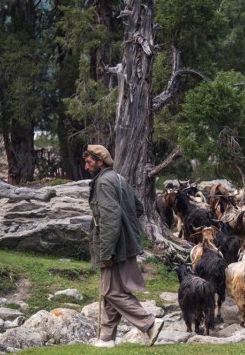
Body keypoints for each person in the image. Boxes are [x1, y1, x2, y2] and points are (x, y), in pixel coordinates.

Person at [84, 144, 164, 348]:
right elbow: (138, 208)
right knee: (112, 291)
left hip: (115, 247)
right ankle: (106, 338)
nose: (86, 166)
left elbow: (110, 218)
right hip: (126, 243)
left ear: (100, 162)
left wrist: (107, 251)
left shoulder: (102, 182)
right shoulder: (120, 179)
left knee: (111, 292)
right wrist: (126, 229)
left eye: (89, 162)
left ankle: (149, 324)